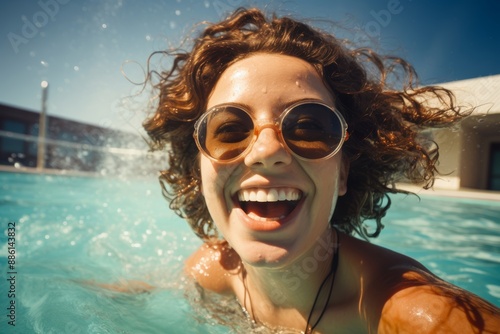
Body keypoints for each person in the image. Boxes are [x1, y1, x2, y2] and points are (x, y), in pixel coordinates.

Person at [142, 7, 500, 333]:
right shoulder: (214, 268)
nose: (266, 152)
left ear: (344, 171)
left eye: (309, 128)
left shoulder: (415, 314)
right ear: (198, 169)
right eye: (230, 130)